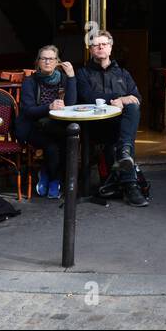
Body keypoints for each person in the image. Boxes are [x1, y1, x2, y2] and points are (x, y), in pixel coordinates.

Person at [76, 30, 148, 207]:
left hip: (118, 127)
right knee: (125, 135)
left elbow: (137, 98)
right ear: (91, 50)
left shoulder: (123, 73)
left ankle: (125, 159)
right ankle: (131, 186)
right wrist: (119, 98)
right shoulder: (83, 73)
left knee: (132, 106)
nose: (100, 47)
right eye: (96, 45)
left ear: (110, 48)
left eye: (104, 44)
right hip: (94, 125)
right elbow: (87, 96)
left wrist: (125, 100)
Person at [13, 45, 77, 200]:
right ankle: (56, 179)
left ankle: (47, 174)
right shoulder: (30, 81)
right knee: (63, 140)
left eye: (51, 59)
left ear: (57, 62)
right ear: (38, 62)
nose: (47, 62)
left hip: (55, 126)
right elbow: (28, 110)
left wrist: (71, 77)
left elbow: (71, 103)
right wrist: (49, 107)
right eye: (44, 58)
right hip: (33, 127)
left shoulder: (62, 79)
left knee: (55, 144)